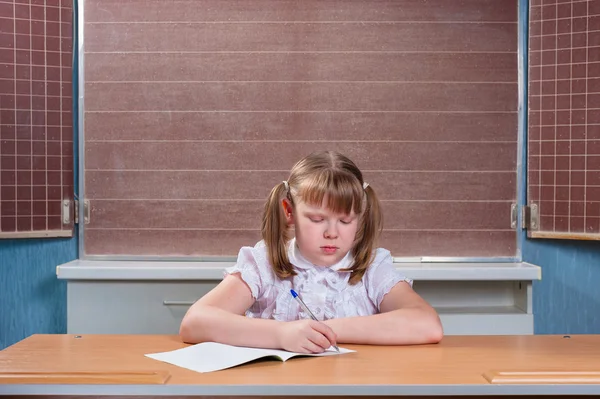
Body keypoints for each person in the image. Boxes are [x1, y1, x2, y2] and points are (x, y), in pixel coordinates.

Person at [180, 150, 443, 353]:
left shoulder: (372, 268)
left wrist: (323, 331)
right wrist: (282, 334)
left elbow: (427, 324)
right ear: (289, 212)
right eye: (317, 220)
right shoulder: (264, 263)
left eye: (345, 221)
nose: (332, 232)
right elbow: (195, 322)